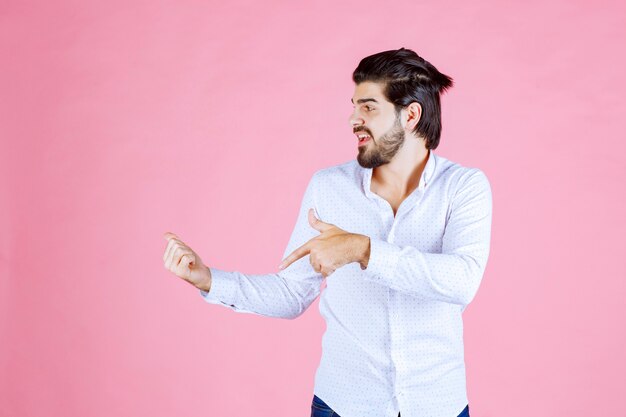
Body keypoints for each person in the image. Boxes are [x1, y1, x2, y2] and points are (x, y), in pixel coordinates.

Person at [162, 47, 491, 417]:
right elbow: (291, 292)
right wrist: (208, 279)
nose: (353, 118)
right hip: (343, 405)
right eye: (354, 106)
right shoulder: (329, 188)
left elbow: (462, 280)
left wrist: (363, 249)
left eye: (368, 107)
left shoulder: (463, 187)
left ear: (410, 115)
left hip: (437, 405)